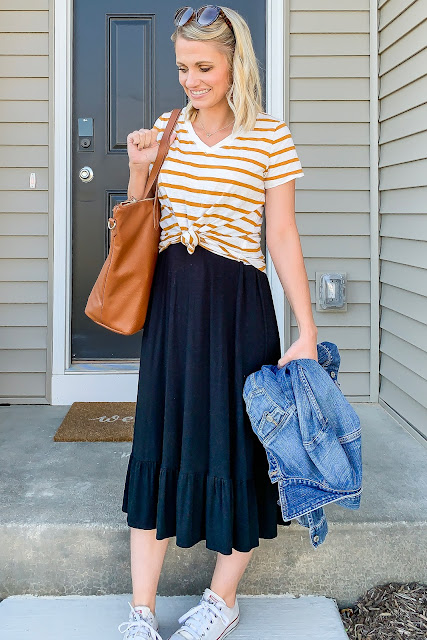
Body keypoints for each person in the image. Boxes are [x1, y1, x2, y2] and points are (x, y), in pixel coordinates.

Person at [118, 5, 318, 640]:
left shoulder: (269, 136)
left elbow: (281, 234)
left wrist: (304, 329)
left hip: (238, 309)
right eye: (183, 67)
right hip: (174, 305)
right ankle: (141, 613)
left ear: (237, 64)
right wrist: (136, 166)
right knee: (159, 439)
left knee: (237, 447)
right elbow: (140, 221)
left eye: (204, 67)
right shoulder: (166, 128)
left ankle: (220, 600)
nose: (191, 80)